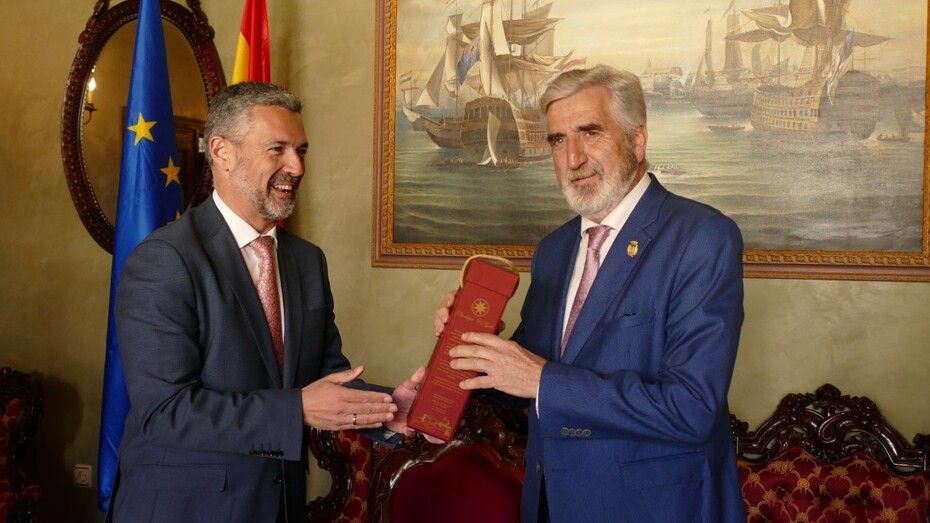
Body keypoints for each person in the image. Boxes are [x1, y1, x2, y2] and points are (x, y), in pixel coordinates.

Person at [436, 66, 746, 522]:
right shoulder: (554, 249)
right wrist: (472, 348)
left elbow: (691, 409)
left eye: (590, 133)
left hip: (654, 510)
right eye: (558, 140)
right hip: (549, 505)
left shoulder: (702, 237)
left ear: (637, 140)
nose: (573, 158)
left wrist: (540, 379)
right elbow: (525, 381)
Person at [111, 82, 424, 523]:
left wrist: (389, 408)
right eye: (277, 149)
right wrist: (297, 409)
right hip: (187, 509)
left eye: (301, 151)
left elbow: (324, 377)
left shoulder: (307, 261)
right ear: (221, 152)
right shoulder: (165, 259)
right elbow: (166, 411)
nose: (296, 167)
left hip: (279, 506)